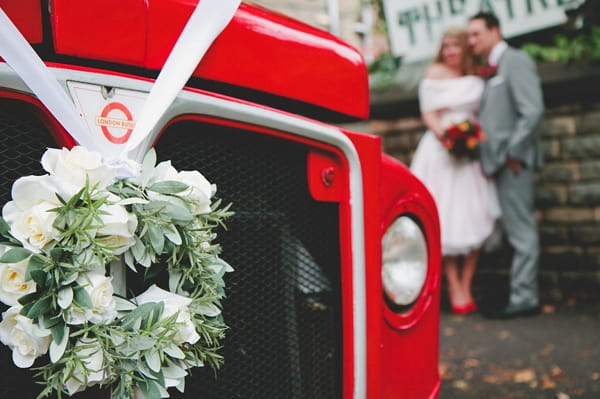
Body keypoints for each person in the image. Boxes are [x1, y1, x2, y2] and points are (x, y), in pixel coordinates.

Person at [410, 27, 500, 315]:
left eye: (455, 45)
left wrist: (470, 140)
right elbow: (429, 114)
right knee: (445, 216)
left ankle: (467, 282)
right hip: (442, 152)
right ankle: (452, 285)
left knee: (476, 212)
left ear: (464, 48)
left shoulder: (477, 72)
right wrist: (449, 139)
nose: (450, 50)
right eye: (445, 45)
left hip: (472, 152)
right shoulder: (434, 73)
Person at [467, 12, 544, 318]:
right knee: (513, 231)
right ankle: (519, 293)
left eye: (477, 34)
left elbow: (533, 111)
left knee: (521, 230)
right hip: (497, 164)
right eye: (469, 36)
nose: (472, 41)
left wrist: (513, 153)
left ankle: (525, 298)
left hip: (512, 162)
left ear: (495, 31)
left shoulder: (516, 60)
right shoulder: (489, 70)